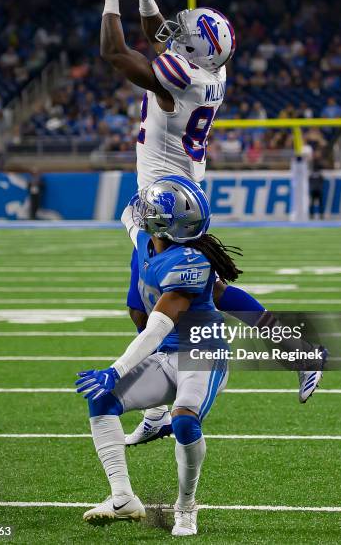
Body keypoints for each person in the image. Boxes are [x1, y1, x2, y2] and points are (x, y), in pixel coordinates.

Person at [100, 0, 324, 447]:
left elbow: (116, 54)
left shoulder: (182, 77)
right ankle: (166, 405)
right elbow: (163, 39)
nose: (176, 35)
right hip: (173, 187)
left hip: (169, 197)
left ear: (195, 55)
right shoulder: (212, 71)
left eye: (185, 37)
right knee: (143, 299)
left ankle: (300, 353)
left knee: (187, 294)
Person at [76, 176, 240, 536]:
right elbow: (127, 217)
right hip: (169, 357)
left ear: (165, 224)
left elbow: (156, 329)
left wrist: (116, 370)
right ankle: (122, 498)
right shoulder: (148, 241)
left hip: (203, 356)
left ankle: (186, 507)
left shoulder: (188, 262)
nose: (142, 212)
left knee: (183, 421)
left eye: (151, 210)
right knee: (101, 401)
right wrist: (151, 181)